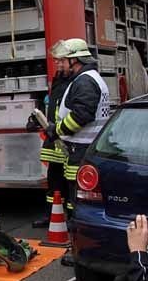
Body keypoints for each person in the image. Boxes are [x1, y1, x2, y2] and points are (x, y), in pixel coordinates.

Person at [45, 38, 110, 266]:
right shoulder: (87, 79)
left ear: (75, 60)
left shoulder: (84, 81)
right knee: (79, 201)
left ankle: (81, 250)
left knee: (79, 203)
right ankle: (82, 248)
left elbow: (82, 114)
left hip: (82, 150)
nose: (59, 65)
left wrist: (57, 130)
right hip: (85, 149)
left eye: (62, 60)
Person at [31, 40, 72, 227]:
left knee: (69, 182)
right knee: (54, 181)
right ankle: (52, 215)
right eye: (56, 61)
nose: (58, 64)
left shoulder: (77, 80)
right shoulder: (59, 78)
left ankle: (71, 217)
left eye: (61, 61)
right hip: (54, 137)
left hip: (68, 137)